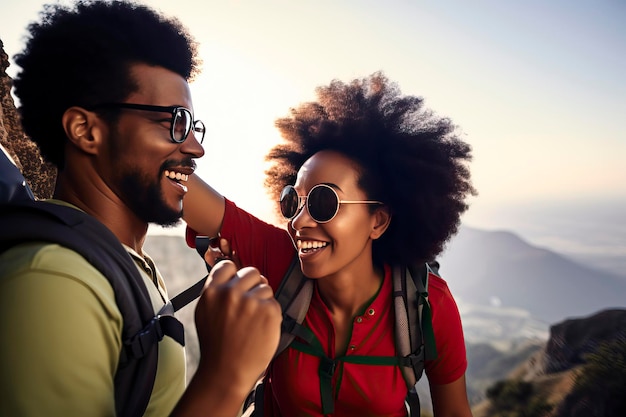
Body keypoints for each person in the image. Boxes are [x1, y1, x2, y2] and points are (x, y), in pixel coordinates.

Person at [0, 1, 281, 417]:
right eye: (174, 122)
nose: (195, 147)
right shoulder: (53, 279)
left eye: (193, 126)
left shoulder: (124, 264)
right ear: (86, 131)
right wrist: (226, 376)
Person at [183, 72, 476, 416]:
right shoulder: (282, 262)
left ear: (378, 221)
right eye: (294, 201)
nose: (298, 222)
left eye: (324, 203)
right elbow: (180, 185)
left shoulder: (427, 306)